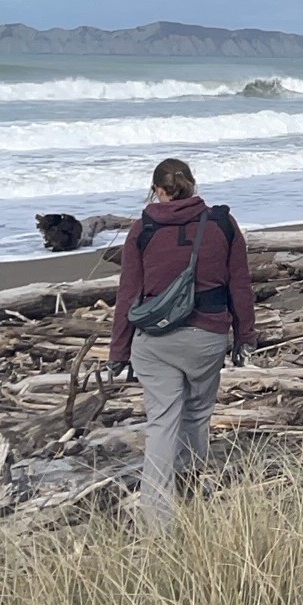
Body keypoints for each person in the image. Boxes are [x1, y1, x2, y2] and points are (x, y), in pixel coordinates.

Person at [110, 157, 256, 529]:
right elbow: (240, 286)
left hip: (155, 341)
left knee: (162, 422)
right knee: (196, 415)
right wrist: (244, 337)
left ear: (158, 190)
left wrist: (118, 352)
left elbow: (128, 294)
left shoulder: (142, 229)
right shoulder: (222, 224)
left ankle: (159, 522)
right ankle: (190, 494)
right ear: (193, 184)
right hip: (206, 337)